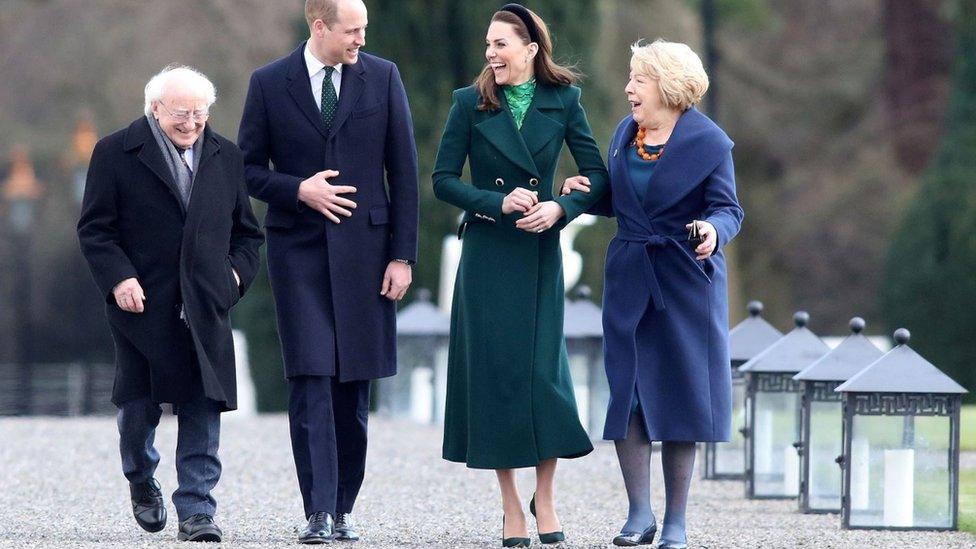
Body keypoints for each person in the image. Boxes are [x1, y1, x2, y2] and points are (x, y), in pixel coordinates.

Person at [237, 0, 419, 543]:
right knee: (311, 377)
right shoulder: (269, 83)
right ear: (320, 27)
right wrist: (297, 190)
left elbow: (403, 171)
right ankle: (317, 510)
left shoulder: (383, 78)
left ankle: (343, 506)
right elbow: (245, 169)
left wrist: (403, 255)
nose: (362, 38)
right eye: (353, 30)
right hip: (298, 255)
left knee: (352, 389)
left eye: (364, 29)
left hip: (368, 255)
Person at [432, 4, 609, 547]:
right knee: (496, 380)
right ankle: (511, 504)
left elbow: (597, 176)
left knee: (542, 377)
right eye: (488, 44)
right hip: (487, 256)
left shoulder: (566, 100)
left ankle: (546, 496)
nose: (490, 53)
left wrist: (560, 208)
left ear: (531, 48)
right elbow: (442, 181)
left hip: (539, 255)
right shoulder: (470, 103)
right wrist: (496, 201)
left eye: (501, 44)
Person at [562, 39, 744, 548]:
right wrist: (588, 194)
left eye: (638, 79)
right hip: (629, 278)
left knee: (682, 394)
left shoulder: (711, 142)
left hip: (687, 281)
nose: (628, 88)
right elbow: (623, 201)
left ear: (667, 84)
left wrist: (713, 229)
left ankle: (677, 522)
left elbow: (729, 208)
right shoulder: (626, 133)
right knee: (631, 393)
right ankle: (639, 514)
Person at [77, 65, 264, 543]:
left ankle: (198, 510)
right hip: (142, 307)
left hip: (205, 305)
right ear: (155, 108)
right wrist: (119, 278)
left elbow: (247, 234)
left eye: (200, 114)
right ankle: (141, 477)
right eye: (181, 113)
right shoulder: (114, 152)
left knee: (204, 404)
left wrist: (234, 278)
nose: (192, 123)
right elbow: (96, 230)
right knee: (138, 411)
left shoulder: (226, 156)